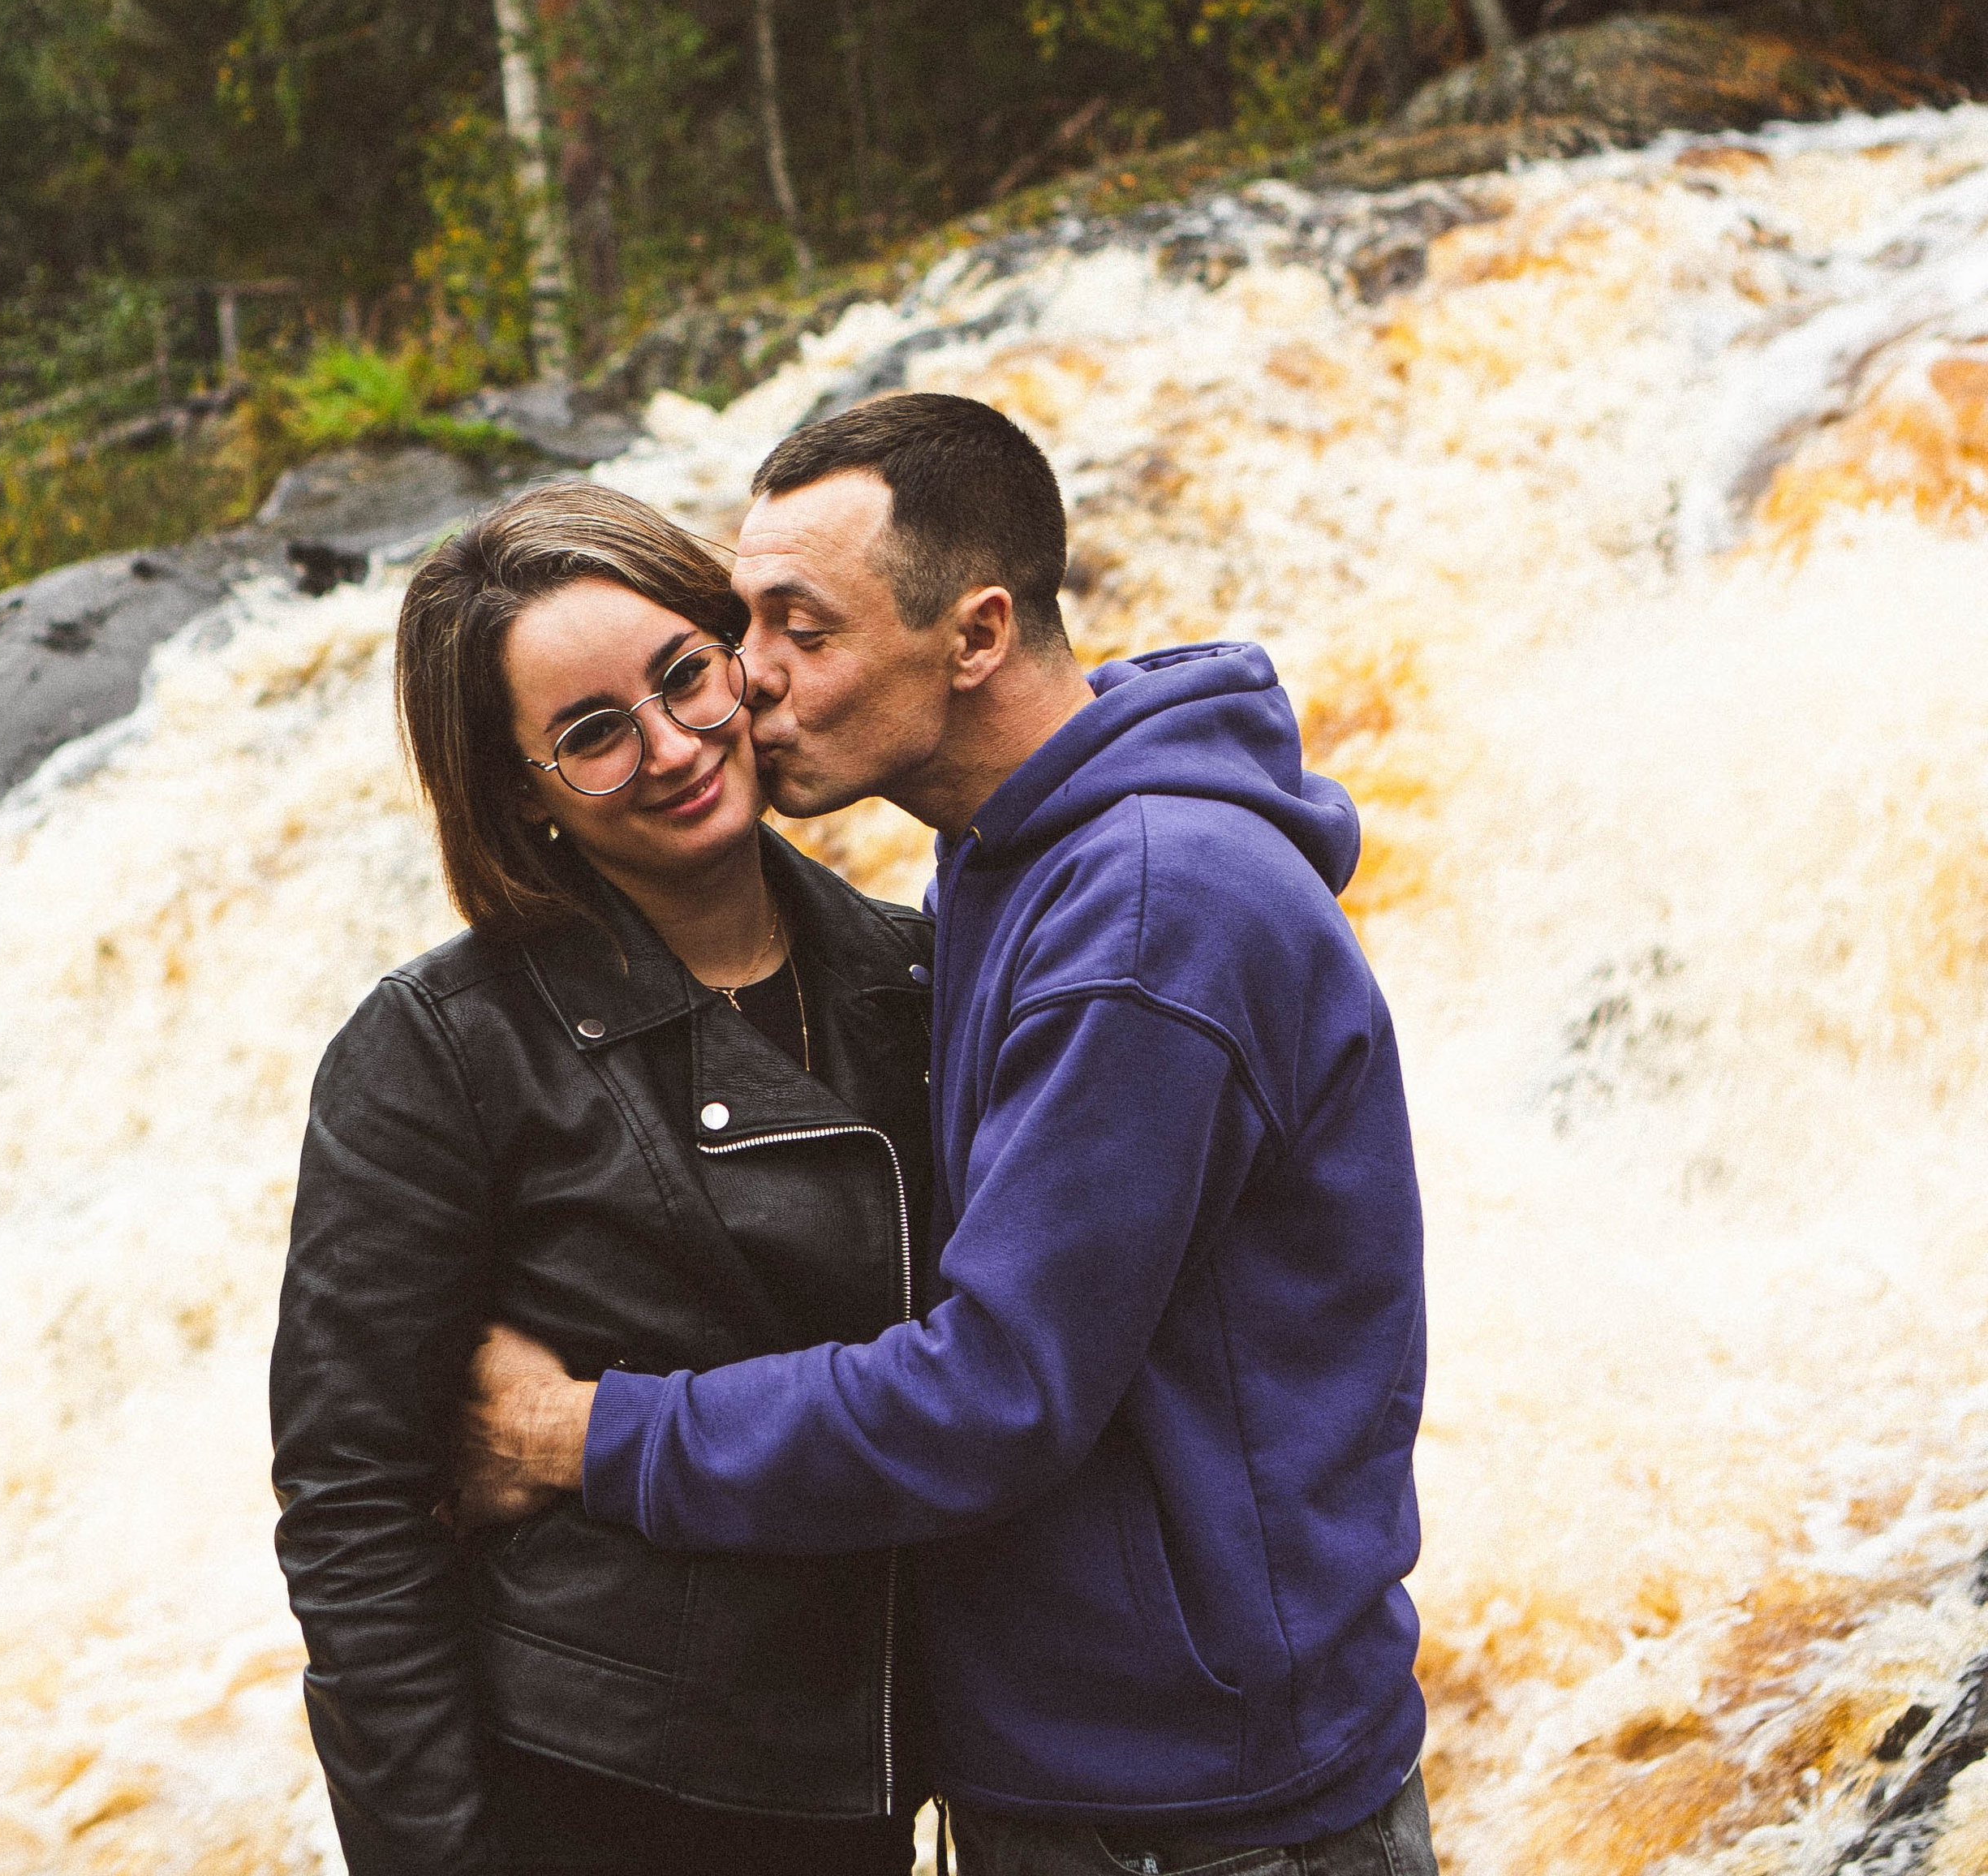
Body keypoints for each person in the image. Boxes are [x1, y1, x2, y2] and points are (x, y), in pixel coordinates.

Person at [453, 393, 1437, 1876]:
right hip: (1100, 1773)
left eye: (805, 628)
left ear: (974, 636)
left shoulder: (1151, 920)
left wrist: (579, 1433)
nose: (746, 683)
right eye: (744, 620)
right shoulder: (1005, 862)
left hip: (1203, 1813)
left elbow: (996, 1395)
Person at [269, 481, 934, 1876]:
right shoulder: (440, 1050)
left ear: (734, 649)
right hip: (595, 1796)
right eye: (590, 734)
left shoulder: (914, 976)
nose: (675, 745)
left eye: (685, 677)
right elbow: (352, 1513)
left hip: (877, 1788)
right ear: (520, 790)